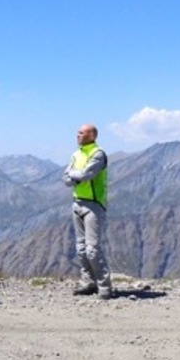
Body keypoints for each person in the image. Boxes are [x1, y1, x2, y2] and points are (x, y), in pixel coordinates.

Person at [62, 123, 112, 299]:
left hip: (93, 204)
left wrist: (74, 175)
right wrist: (77, 176)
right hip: (77, 203)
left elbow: (86, 175)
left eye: (81, 133)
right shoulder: (76, 154)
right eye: (78, 132)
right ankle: (88, 283)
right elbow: (65, 179)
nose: (77, 135)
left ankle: (105, 287)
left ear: (92, 136)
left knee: (92, 249)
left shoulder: (98, 154)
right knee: (81, 248)